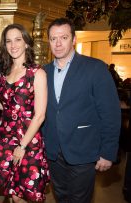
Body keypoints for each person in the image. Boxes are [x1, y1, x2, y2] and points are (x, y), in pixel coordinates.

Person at [43, 18, 121, 203]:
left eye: (64, 37)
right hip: (53, 151)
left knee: (79, 200)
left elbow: (110, 113)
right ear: (49, 42)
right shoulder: (43, 72)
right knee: (61, 197)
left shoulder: (95, 68)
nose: (58, 43)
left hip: (84, 149)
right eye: (53, 39)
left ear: (74, 39)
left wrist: (108, 152)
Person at [0, 24, 49, 202]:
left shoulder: (37, 73)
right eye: (8, 41)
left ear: (26, 43)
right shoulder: (4, 73)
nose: (13, 45)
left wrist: (22, 146)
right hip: (5, 137)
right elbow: (4, 105)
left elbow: (40, 115)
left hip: (27, 140)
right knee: (13, 194)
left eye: (18, 39)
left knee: (25, 194)